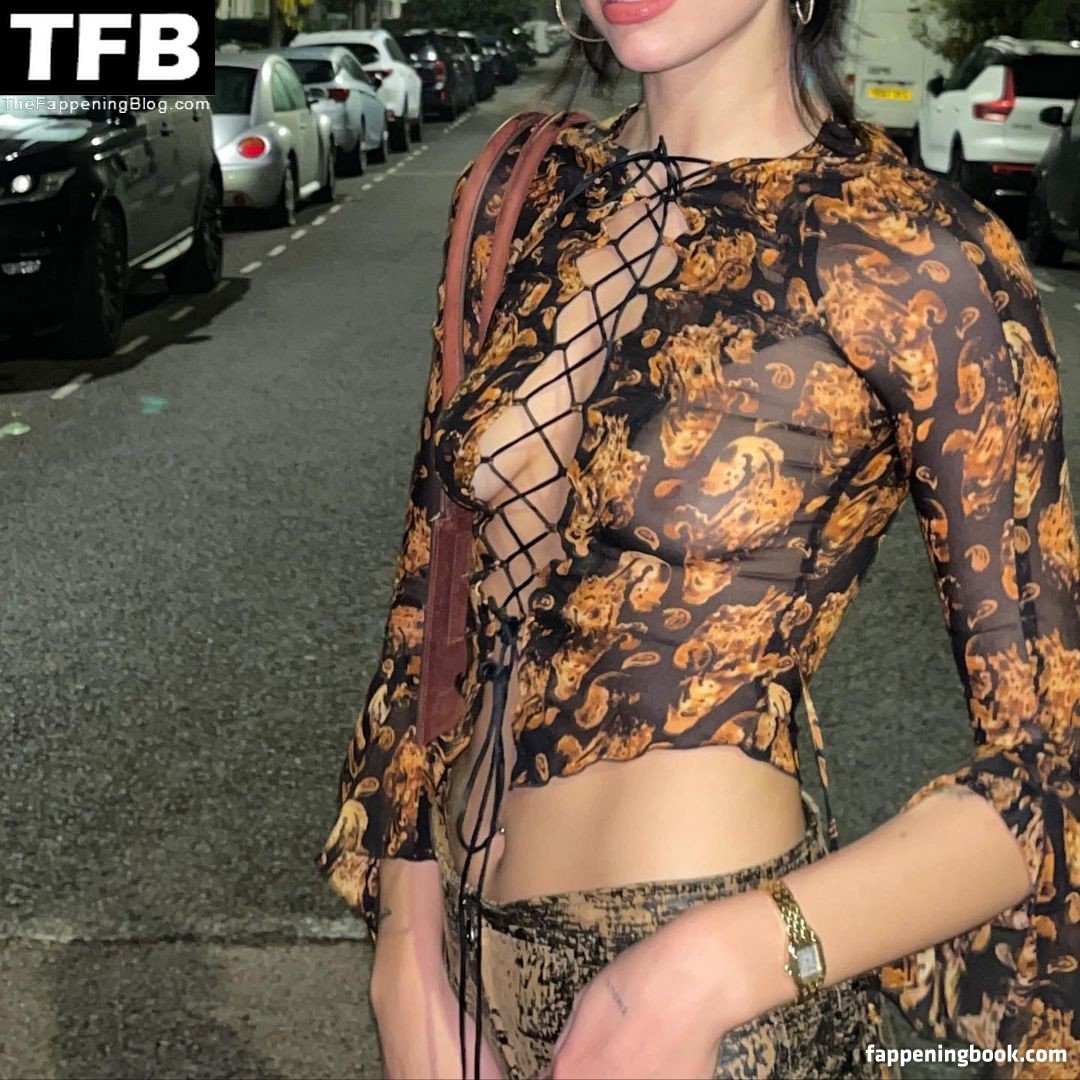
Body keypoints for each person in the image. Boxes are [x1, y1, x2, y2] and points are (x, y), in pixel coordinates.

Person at [316, 0, 1080, 1075]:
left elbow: (1053, 769)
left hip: (708, 1016)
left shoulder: (911, 250)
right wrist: (406, 951)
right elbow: (424, 615)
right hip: (461, 986)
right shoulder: (523, 191)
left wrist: (729, 964)